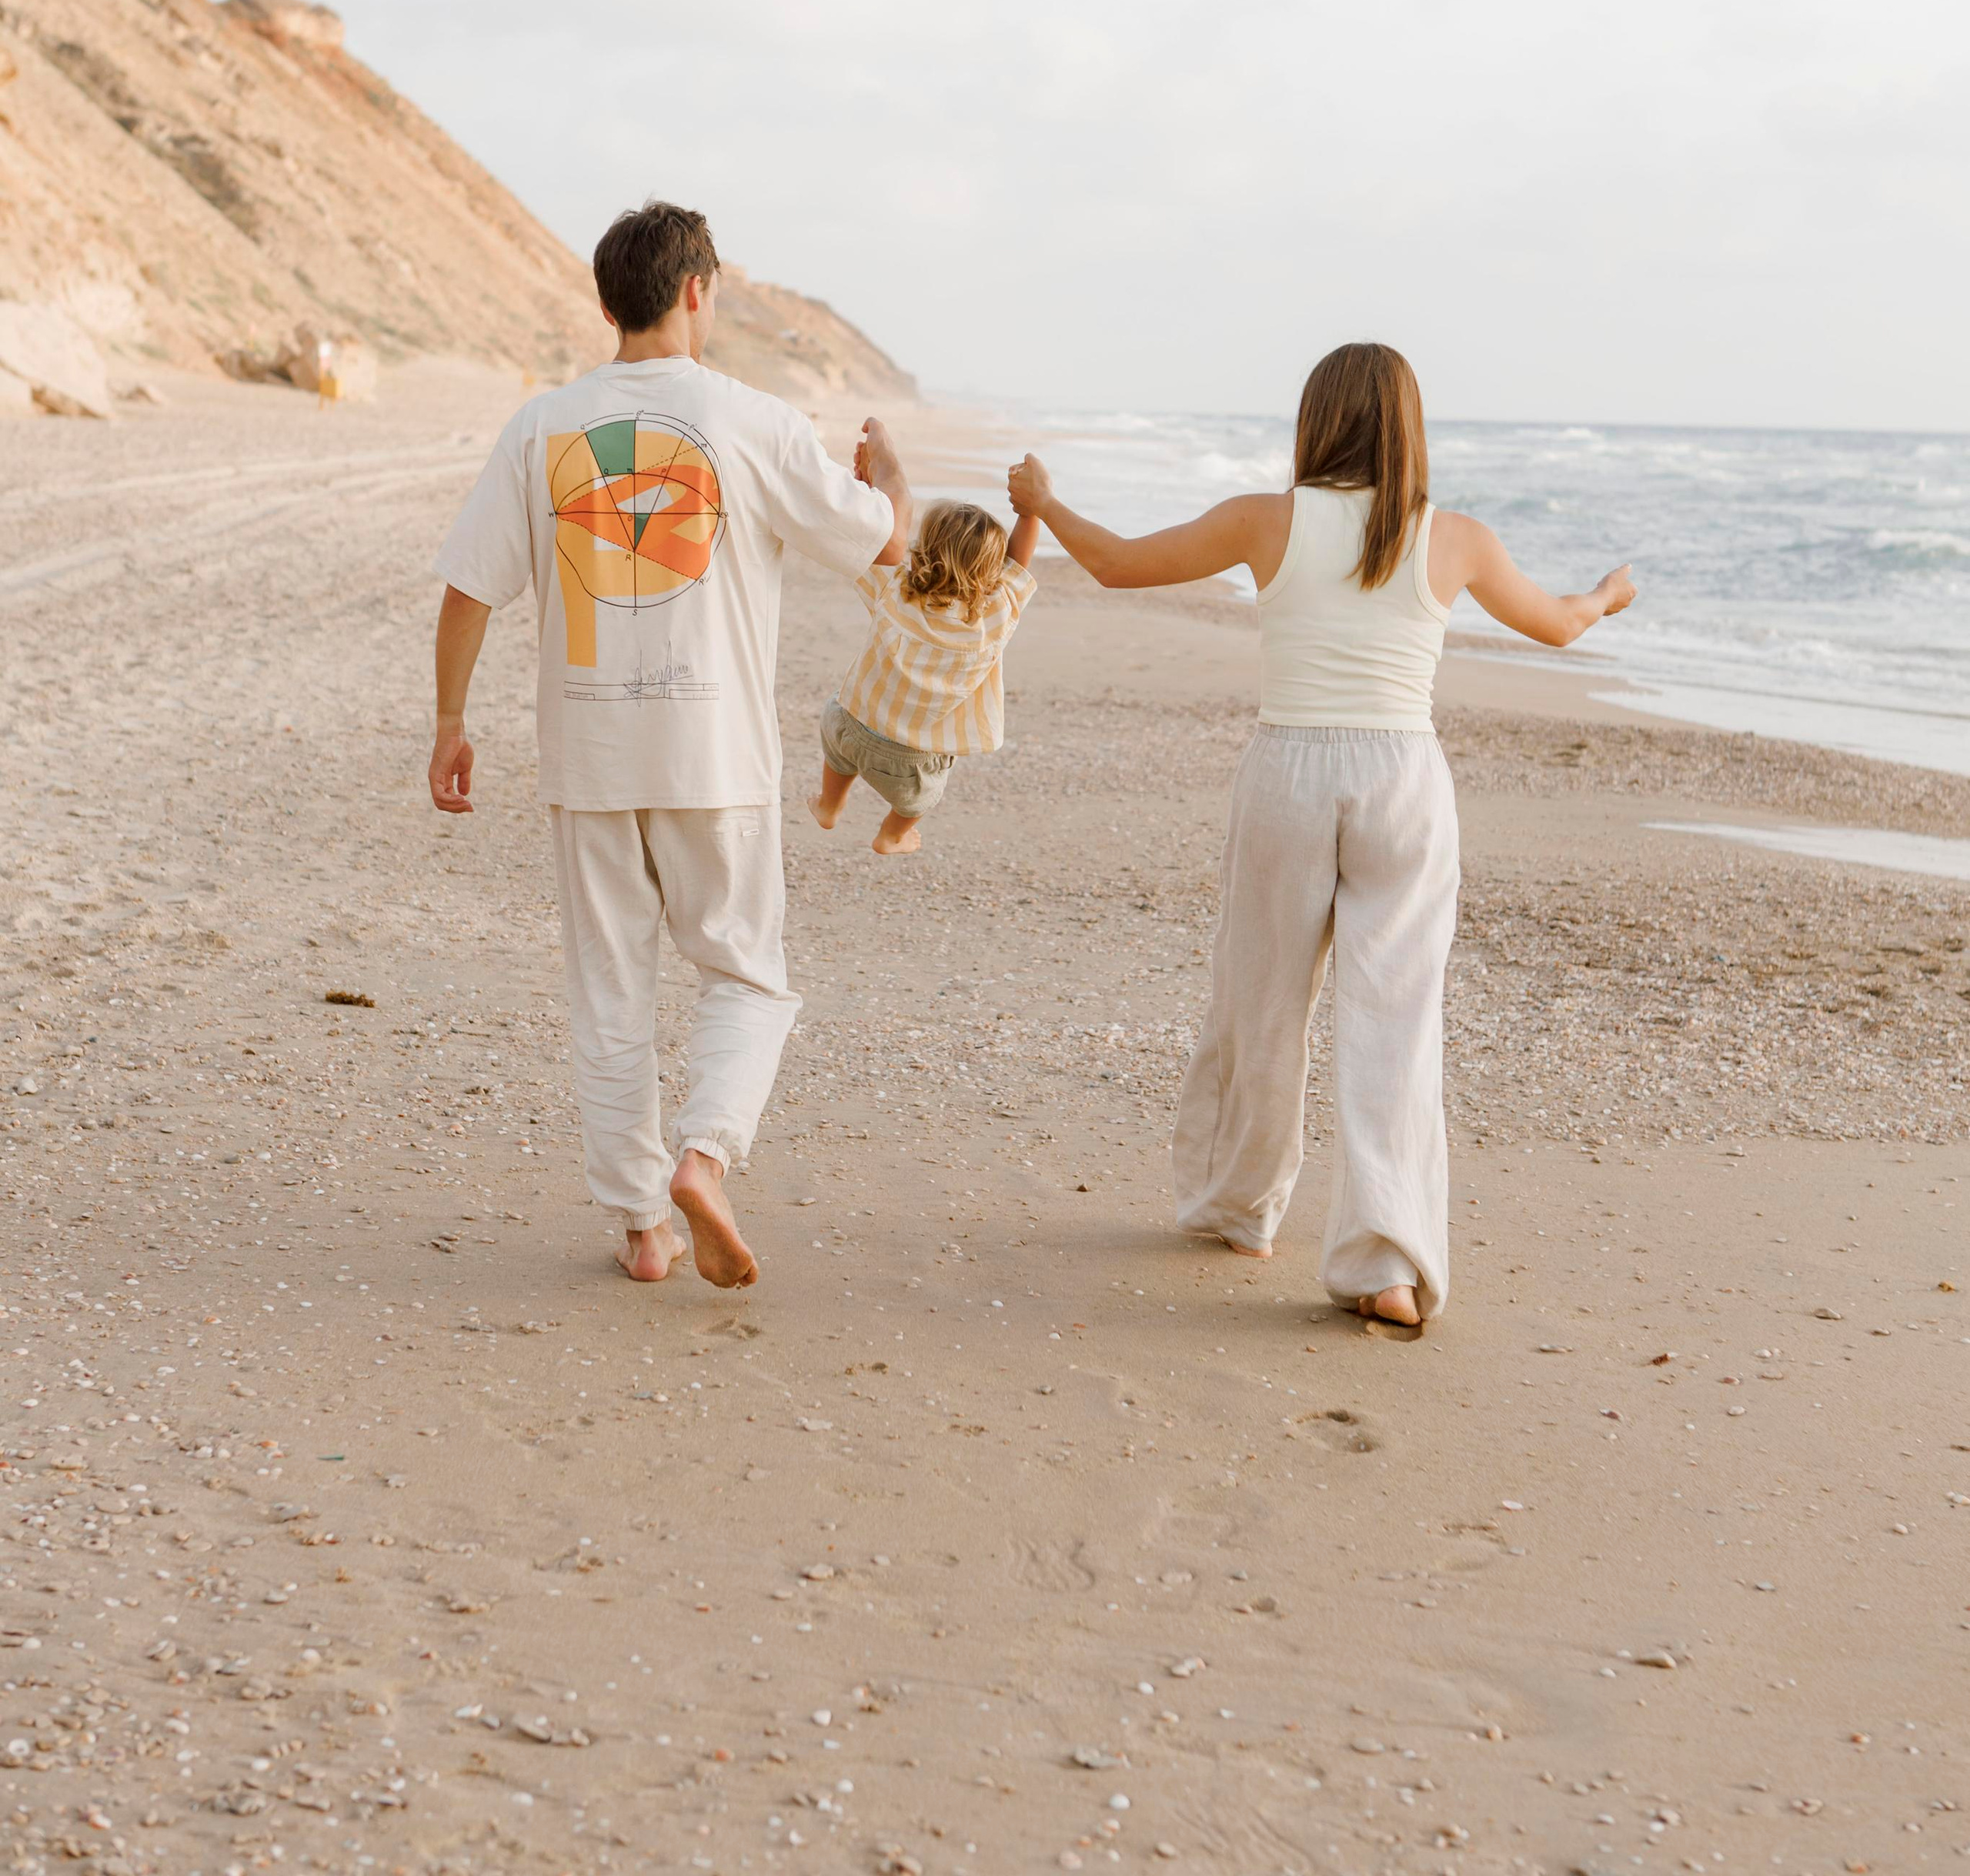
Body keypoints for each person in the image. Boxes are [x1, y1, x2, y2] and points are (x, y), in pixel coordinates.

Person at [1007, 342, 1633, 1327]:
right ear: (1409, 428)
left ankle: (1238, 1210)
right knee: (1394, 1023)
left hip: (1290, 773)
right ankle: (1384, 1263)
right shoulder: (1452, 538)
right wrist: (1605, 594)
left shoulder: (1268, 520)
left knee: (1260, 997)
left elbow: (1118, 565)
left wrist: (1040, 502)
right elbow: (1558, 626)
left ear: (1317, 420)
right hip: (1402, 780)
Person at [427, 201, 912, 1293]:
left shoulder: (540, 427)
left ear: (608, 303)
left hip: (590, 756)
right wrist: (889, 470)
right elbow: (885, 544)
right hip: (715, 756)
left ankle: (645, 1229)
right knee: (747, 975)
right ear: (700, 290)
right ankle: (704, 1154)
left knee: (611, 990)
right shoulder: (757, 421)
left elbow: (469, 588)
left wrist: (451, 725)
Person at [807, 497, 1040, 855]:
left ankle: (829, 805)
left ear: (926, 545)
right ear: (992, 567)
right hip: (910, 764)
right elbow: (1019, 564)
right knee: (918, 800)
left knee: (839, 750)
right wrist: (1030, 509)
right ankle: (891, 835)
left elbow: (874, 536)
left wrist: (869, 483)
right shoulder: (994, 615)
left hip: (848, 726)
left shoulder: (895, 588)